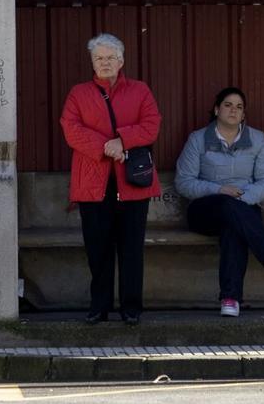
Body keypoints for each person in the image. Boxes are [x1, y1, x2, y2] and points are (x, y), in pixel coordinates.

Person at [60, 33, 162, 326]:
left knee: (131, 249)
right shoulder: (79, 93)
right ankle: (99, 306)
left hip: (132, 182)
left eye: (109, 58)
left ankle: (131, 308)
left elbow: (151, 125)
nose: (104, 63)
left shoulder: (140, 90)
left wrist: (123, 141)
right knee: (98, 248)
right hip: (93, 182)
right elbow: (70, 128)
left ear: (121, 61)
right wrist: (106, 146)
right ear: (92, 62)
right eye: (98, 59)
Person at [175, 87, 264, 317]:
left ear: (244, 115)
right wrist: (219, 190)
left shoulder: (258, 140)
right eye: (228, 105)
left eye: (239, 107)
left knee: (233, 226)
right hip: (205, 210)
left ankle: (230, 299)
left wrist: (241, 197)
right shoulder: (198, 139)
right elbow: (184, 182)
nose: (233, 110)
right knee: (225, 205)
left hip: (244, 207)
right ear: (216, 109)